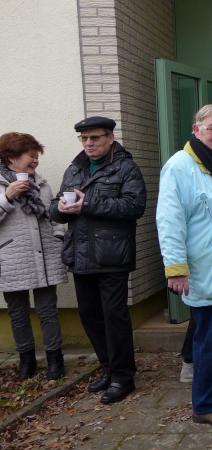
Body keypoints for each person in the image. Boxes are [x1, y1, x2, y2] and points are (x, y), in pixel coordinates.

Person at [157, 104, 212, 428]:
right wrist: (176, 268)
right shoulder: (179, 166)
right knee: (210, 342)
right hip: (203, 270)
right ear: (196, 131)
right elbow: (169, 220)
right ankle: (207, 405)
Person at [50, 116, 146, 403]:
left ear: (110, 138)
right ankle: (108, 368)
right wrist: (61, 208)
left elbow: (134, 206)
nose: (89, 143)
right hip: (80, 255)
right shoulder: (74, 168)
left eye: (95, 138)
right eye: (84, 139)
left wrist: (88, 204)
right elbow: (54, 209)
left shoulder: (125, 167)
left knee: (114, 317)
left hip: (112, 255)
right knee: (90, 316)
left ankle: (123, 377)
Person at [0, 132, 67, 380]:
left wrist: (58, 236)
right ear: (11, 157)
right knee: (18, 313)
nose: (36, 161)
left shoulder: (41, 183)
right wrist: (7, 197)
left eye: (37, 156)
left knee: (48, 310)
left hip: (46, 257)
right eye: (31, 156)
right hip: (11, 258)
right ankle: (26, 360)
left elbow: (53, 214)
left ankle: (55, 360)